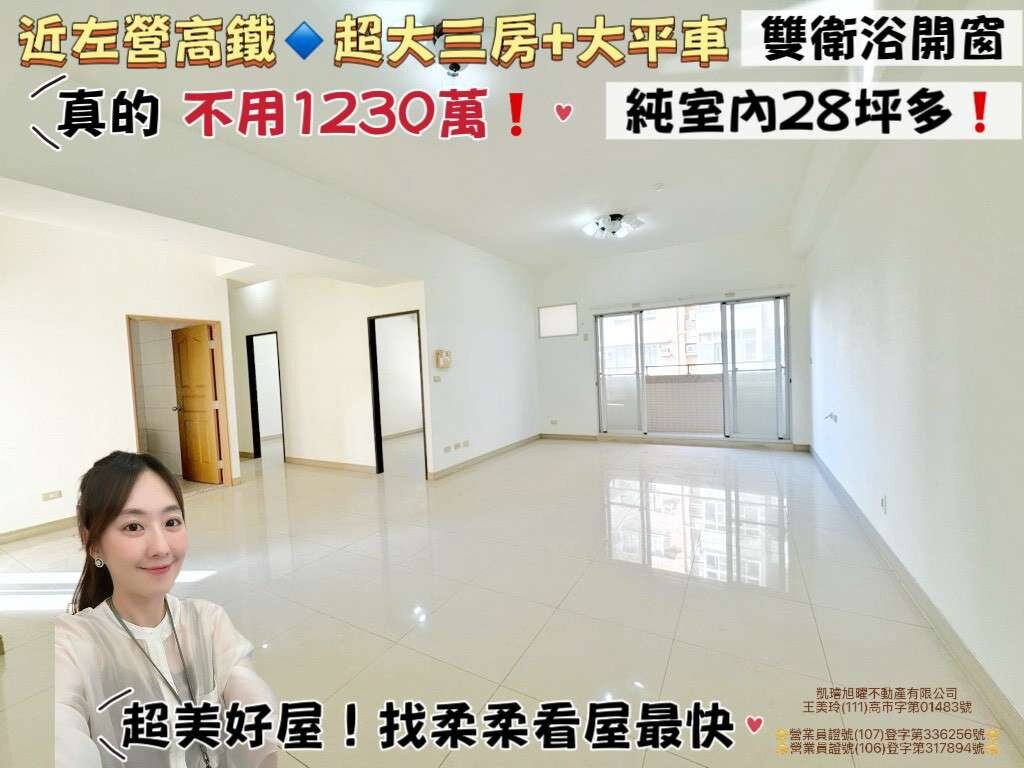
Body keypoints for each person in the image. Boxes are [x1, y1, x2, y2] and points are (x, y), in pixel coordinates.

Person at [55, 451, 281, 768]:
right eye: (133, 526)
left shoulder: (208, 623)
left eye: (171, 522)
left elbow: (253, 710)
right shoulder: (74, 644)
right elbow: (62, 730)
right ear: (93, 544)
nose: (161, 548)